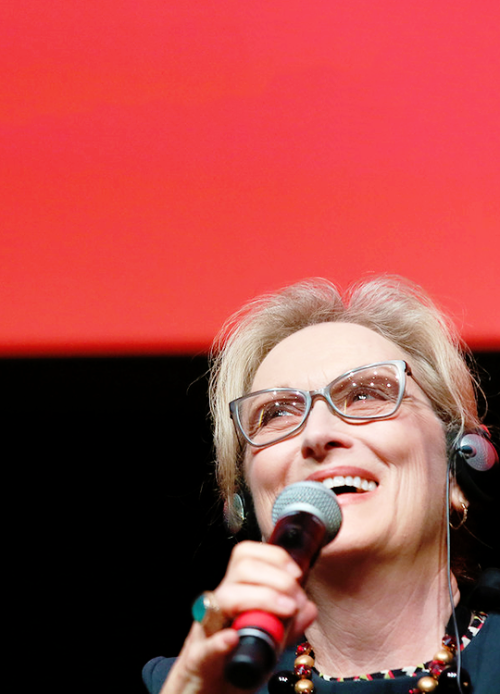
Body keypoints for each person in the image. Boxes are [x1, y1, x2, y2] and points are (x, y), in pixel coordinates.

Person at [143, 277, 500, 694]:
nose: (317, 435)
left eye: (366, 394)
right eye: (276, 412)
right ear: (241, 498)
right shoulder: (190, 683)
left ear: (461, 464)